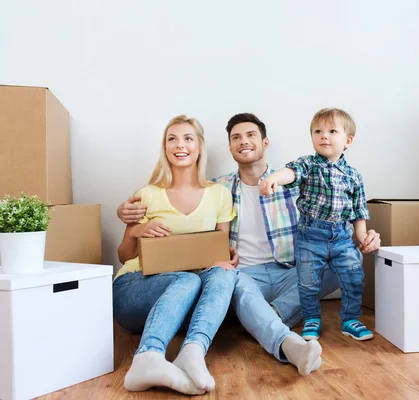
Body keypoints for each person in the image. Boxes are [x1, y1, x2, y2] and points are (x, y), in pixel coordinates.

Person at [117, 113, 381, 376]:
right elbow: (194, 234)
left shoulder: (300, 184)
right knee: (229, 279)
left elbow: (337, 221)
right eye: (236, 138)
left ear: (265, 143)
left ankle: (266, 315)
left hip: (290, 271)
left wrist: (365, 237)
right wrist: (129, 219)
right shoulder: (218, 188)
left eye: (251, 135)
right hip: (244, 275)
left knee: (344, 261)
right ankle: (282, 338)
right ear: (230, 147)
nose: (244, 141)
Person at [113, 115, 238, 395]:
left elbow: (219, 250)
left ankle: (192, 352)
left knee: (225, 273)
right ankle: (148, 355)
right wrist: (138, 230)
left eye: (188, 138)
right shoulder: (146, 194)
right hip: (135, 290)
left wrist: (226, 258)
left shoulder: (219, 194)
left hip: (184, 303)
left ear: (200, 147)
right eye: (172, 138)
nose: (180, 145)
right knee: (186, 280)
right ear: (165, 148)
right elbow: (123, 256)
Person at [259, 108, 374, 342]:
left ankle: (351, 319)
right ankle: (311, 318)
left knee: (353, 278)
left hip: (342, 237)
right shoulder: (308, 165)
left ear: (348, 141)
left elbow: (359, 210)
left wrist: (361, 235)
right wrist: (274, 179)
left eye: (332, 131)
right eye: (318, 131)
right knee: (308, 283)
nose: (324, 136)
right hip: (311, 237)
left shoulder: (354, 176)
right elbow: (290, 173)